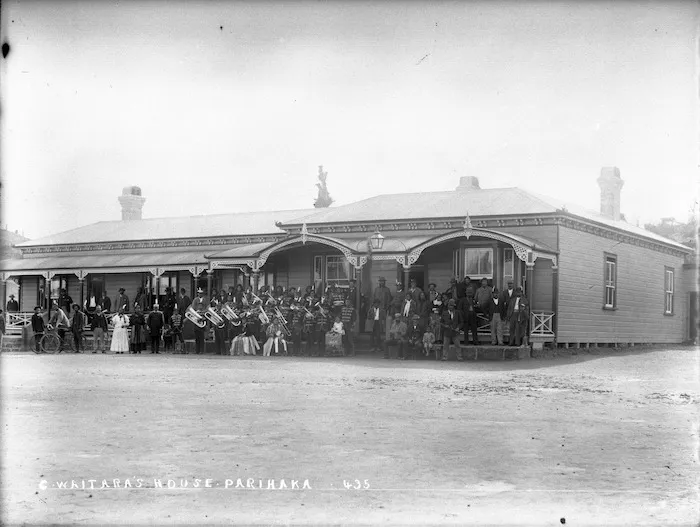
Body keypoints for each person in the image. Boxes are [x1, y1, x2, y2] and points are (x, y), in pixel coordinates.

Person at [373, 277, 393, 342]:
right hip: (376, 308)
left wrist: (387, 307)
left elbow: (389, 299)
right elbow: (374, 298)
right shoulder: (376, 289)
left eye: (383, 281)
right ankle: (377, 333)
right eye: (380, 281)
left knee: (383, 322)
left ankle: (383, 333)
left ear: (384, 282)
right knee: (376, 322)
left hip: (383, 308)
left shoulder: (387, 289)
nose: (382, 282)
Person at [191, 288, 207, 354]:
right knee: (197, 336)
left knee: (201, 336)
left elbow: (207, 308)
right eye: (199, 293)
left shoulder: (205, 300)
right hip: (196, 318)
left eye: (201, 293)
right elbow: (193, 308)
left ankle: (202, 350)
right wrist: (196, 313)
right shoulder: (195, 300)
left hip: (202, 318)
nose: (200, 294)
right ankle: (197, 350)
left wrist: (202, 313)